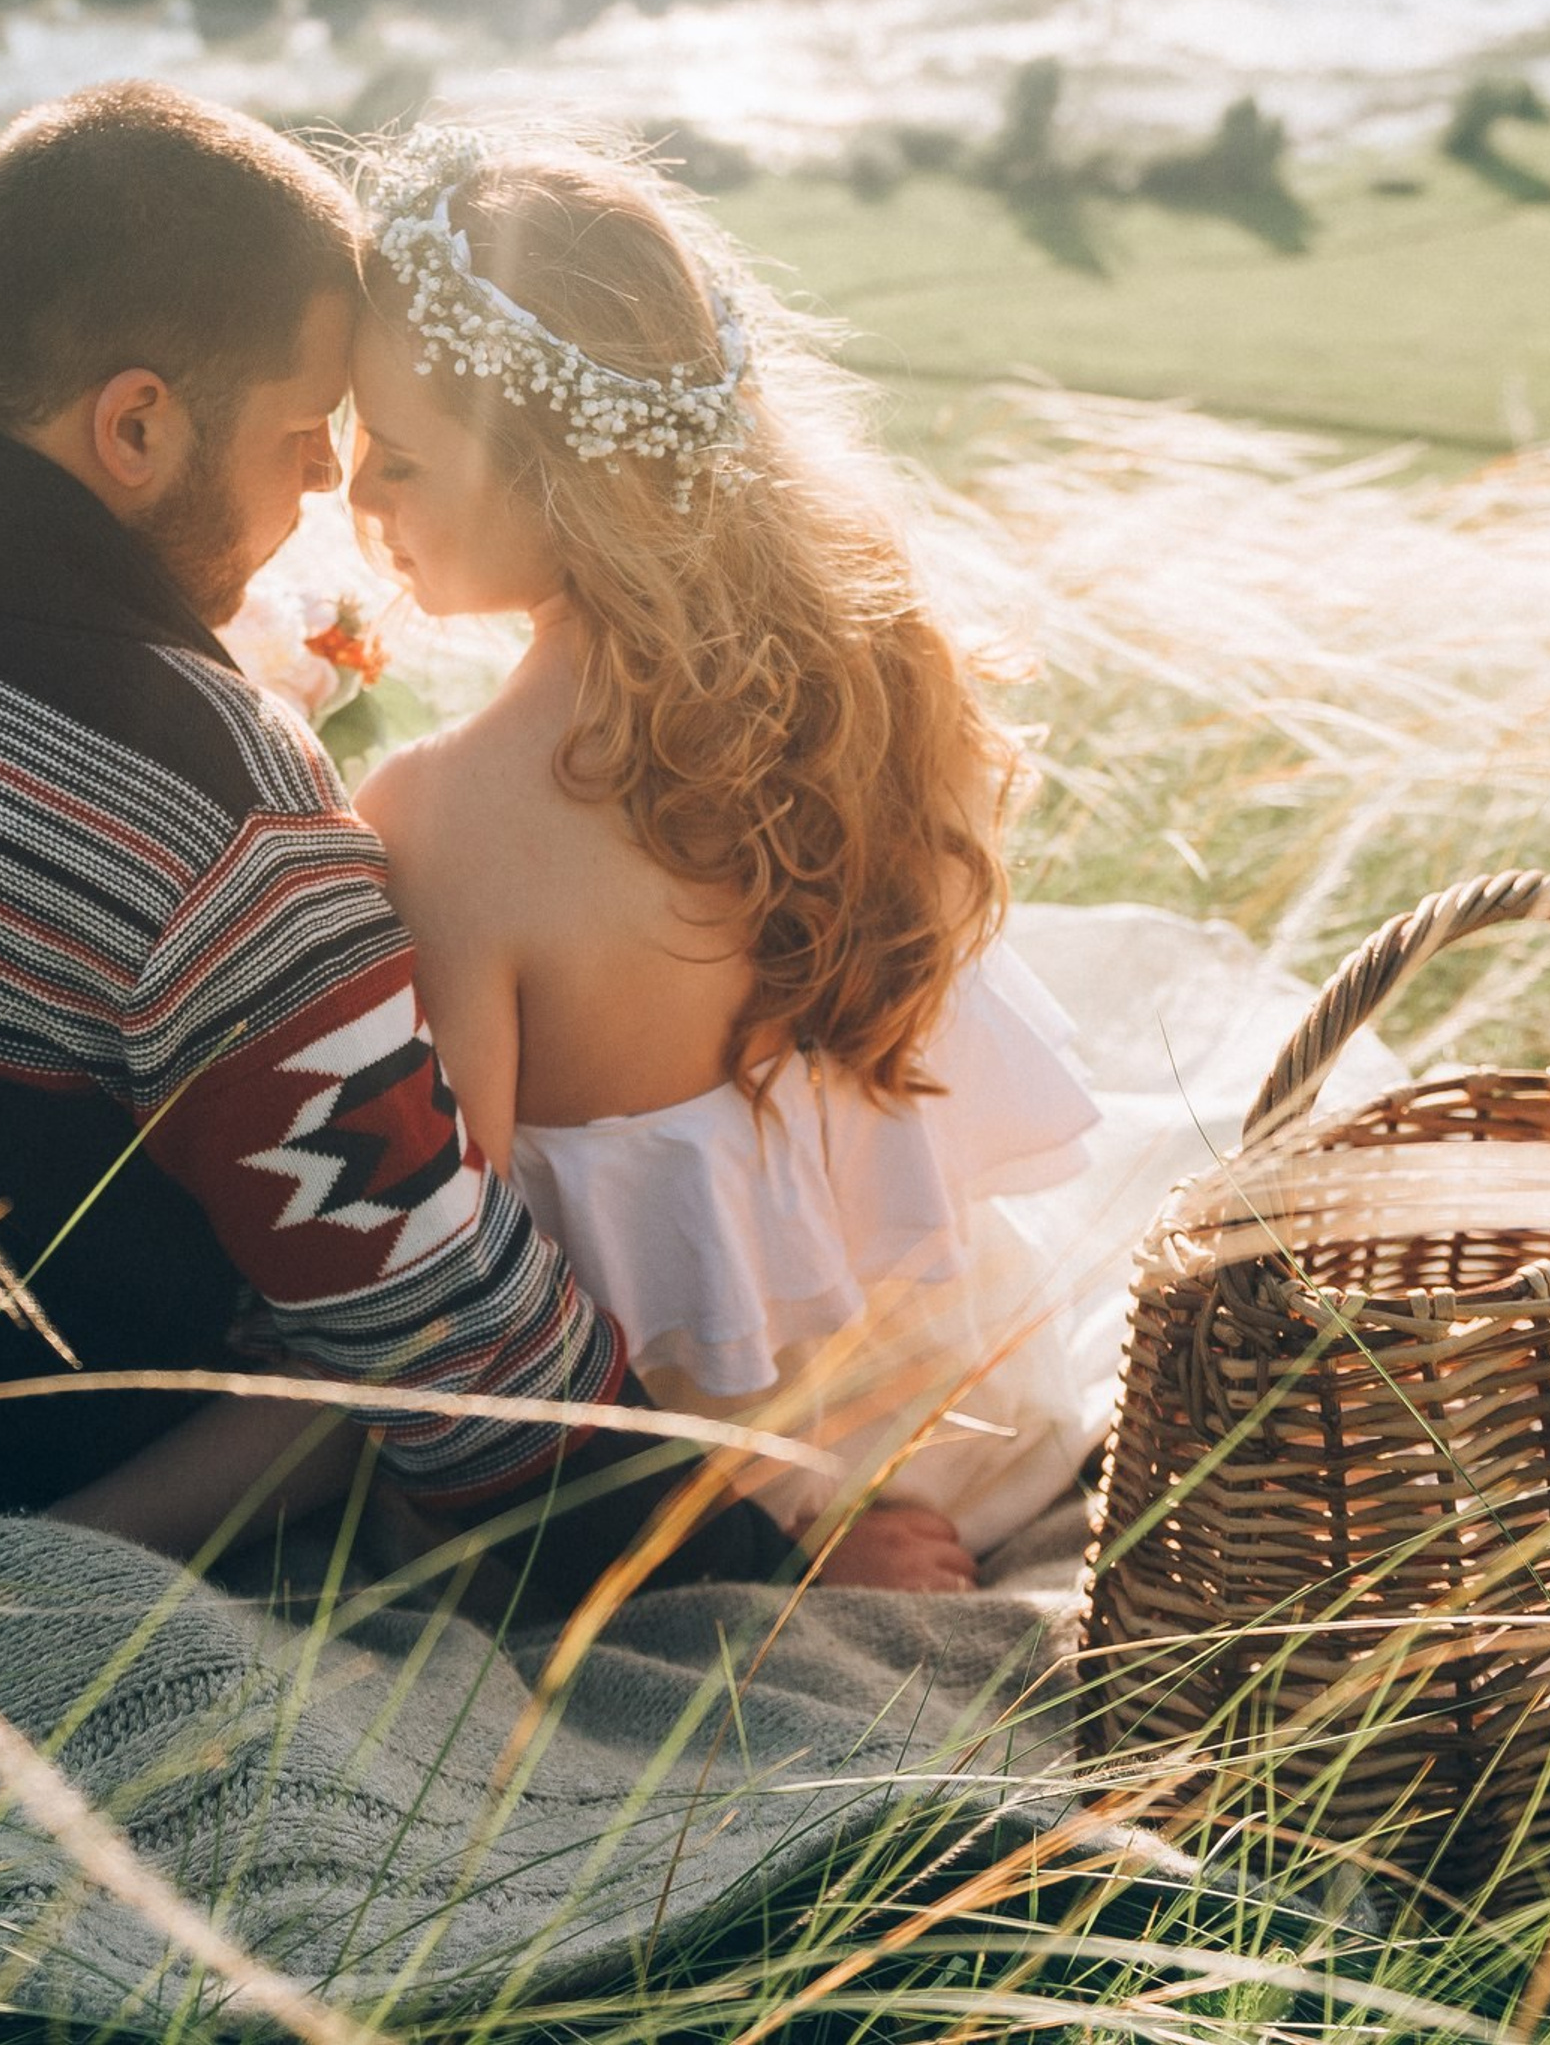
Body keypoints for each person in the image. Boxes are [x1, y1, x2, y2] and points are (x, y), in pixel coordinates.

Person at [0, 81, 790, 1605]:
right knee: (340, 1377)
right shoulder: (212, 812)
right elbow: (452, 1340)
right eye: (307, 436)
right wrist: (780, 1560)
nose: (330, 485)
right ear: (137, 424)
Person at [336, 125, 1122, 1592]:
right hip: (951, 1412)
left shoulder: (448, 820)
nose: (355, 504)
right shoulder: (869, 681)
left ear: (553, 468)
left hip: (658, 1505)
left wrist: (773, 1566)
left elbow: (459, 1320)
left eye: (392, 458)